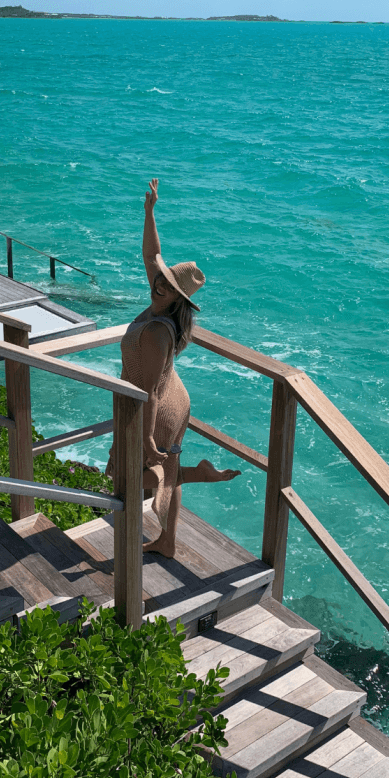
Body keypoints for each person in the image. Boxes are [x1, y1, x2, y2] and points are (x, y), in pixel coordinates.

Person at [111, 178, 240, 560]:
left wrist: (147, 439)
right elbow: (153, 254)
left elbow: (150, 391)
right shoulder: (163, 303)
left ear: (177, 298)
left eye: (166, 285)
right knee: (157, 467)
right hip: (171, 395)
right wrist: (149, 211)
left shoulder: (157, 333)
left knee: (132, 473)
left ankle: (193, 475)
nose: (157, 284)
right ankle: (167, 540)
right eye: (160, 279)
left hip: (160, 405)